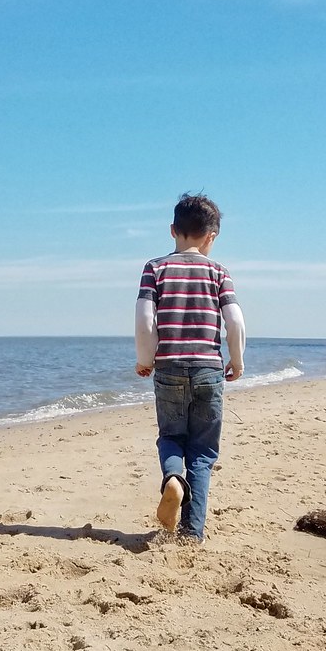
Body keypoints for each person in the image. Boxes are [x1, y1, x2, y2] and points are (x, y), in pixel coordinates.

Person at [134, 193, 245, 542]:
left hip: (169, 367)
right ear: (212, 236)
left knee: (171, 436)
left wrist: (145, 358)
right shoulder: (218, 271)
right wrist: (237, 360)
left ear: (173, 230)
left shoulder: (155, 268)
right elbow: (235, 321)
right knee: (202, 450)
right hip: (209, 370)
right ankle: (191, 532)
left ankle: (171, 478)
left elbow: (144, 318)